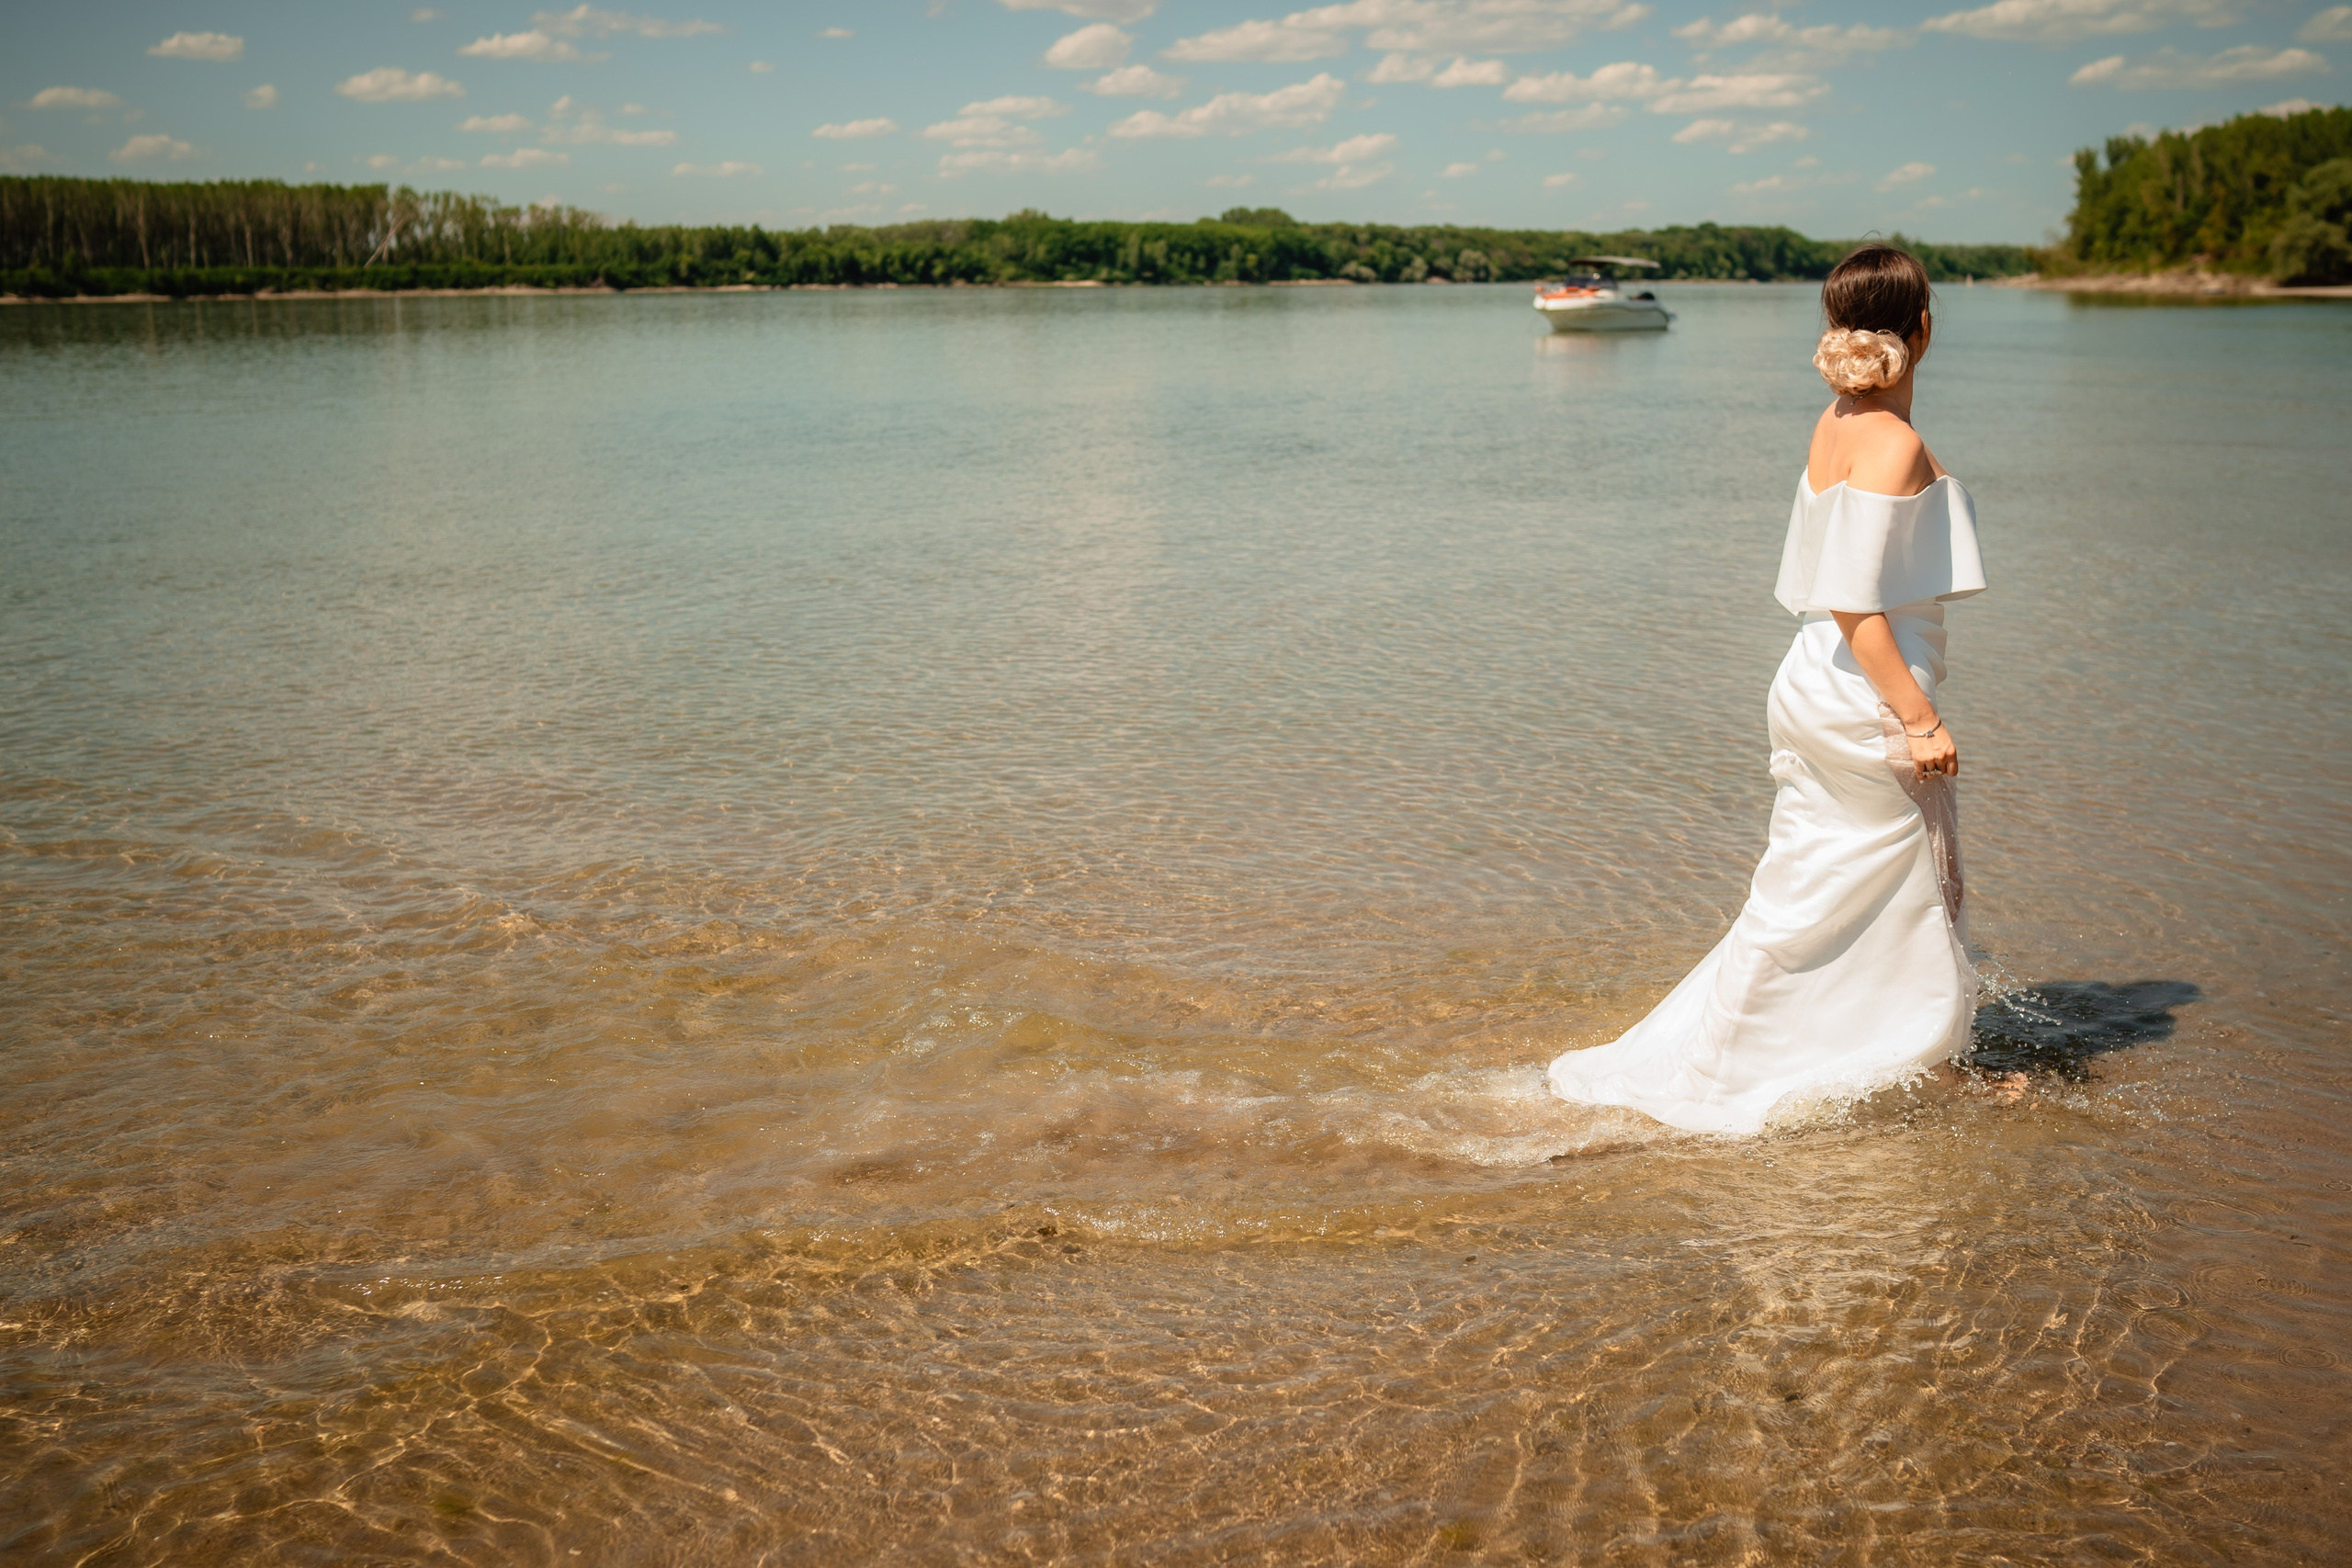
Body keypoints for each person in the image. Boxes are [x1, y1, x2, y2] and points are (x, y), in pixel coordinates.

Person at [1548, 243, 1988, 1134]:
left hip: (1810, 682)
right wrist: (1920, 718)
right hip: (1865, 690)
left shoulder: (1836, 422)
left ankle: (1744, 1048)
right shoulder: (1891, 441)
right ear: (1925, 328)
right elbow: (1852, 602)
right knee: (1919, 885)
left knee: (1811, 887)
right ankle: (1927, 1064)